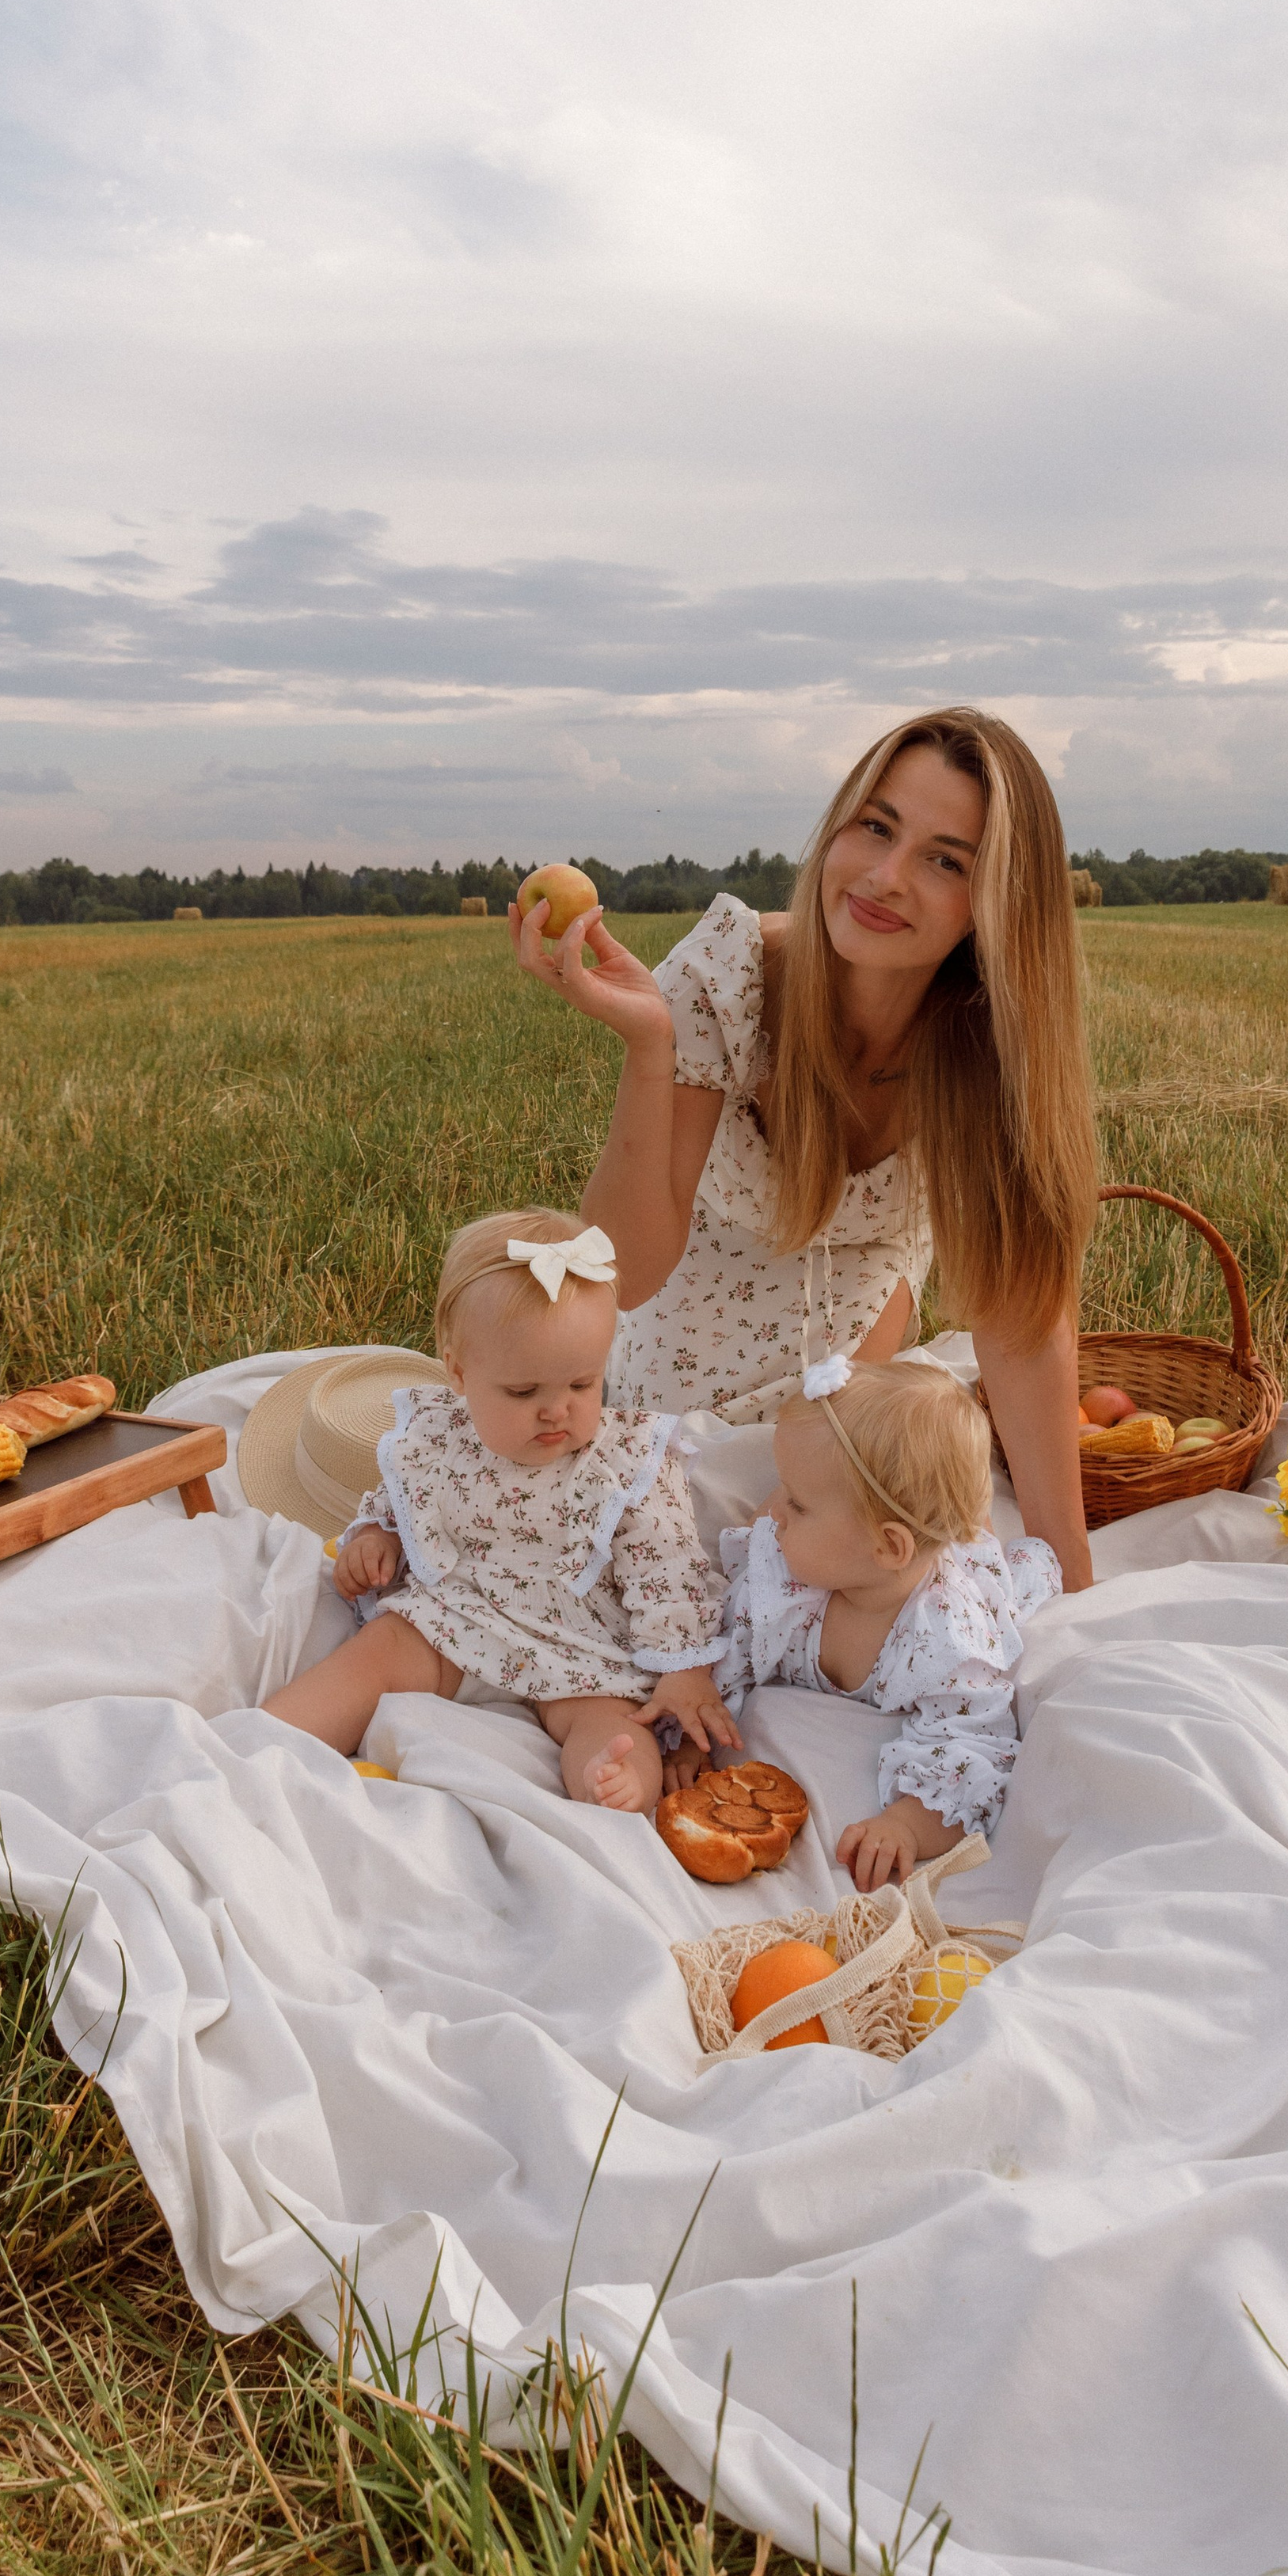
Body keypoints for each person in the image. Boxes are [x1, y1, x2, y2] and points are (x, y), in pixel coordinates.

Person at [509, 707, 1099, 1587]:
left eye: (945, 860)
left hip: (851, 1450)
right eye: (875, 826)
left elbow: (1023, 1319)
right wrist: (650, 1048)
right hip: (686, 1422)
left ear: (995, 904)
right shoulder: (728, 975)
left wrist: (1072, 1586)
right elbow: (621, 1273)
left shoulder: (989, 1045)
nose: (886, 877)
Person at [257, 1207, 739, 1809]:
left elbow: (667, 1569)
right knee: (377, 1652)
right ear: (459, 1373)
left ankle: (615, 1784)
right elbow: (403, 1498)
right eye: (523, 1392)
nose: (556, 1410)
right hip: (460, 1617)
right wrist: (379, 1537)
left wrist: (683, 1667)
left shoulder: (625, 1463)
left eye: (583, 1385)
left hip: (580, 1648)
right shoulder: (439, 1436)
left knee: (614, 1724)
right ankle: (266, 1741)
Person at [699, 1354, 1061, 1890]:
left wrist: (907, 1825)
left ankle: (1031, 1560)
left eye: (797, 1505)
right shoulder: (786, 1581)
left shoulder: (948, 1637)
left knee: (1016, 1582)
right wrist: (693, 1735)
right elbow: (726, 1648)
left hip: (967, 1585)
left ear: (887, 1545)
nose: (774, 1514)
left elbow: (972, 1747)